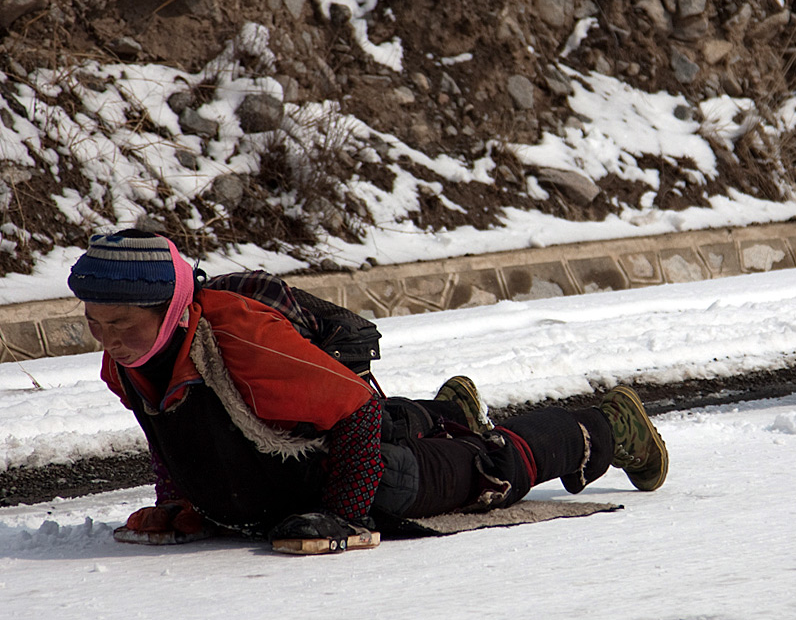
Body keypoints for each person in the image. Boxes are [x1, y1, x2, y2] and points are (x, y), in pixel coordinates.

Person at [68, 230, 668, 547]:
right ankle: (441, 414)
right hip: (288, 473)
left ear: (171, 309)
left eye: (120, 324)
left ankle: (609, 427)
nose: (108, 338)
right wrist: (179, 503)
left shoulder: (238, 340)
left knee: (488, 472)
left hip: (362, 477)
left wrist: (344, 517)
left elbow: (353, 410)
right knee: (380, 423)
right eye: (96, 323)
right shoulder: (128, 358)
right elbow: (168, 428)